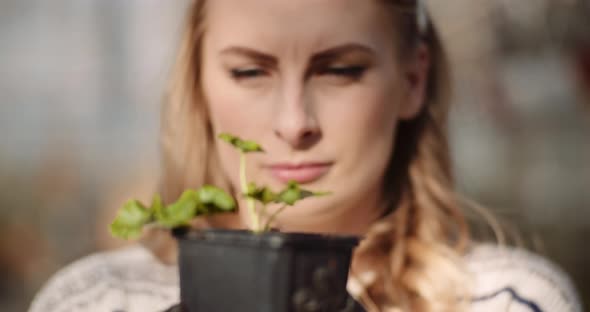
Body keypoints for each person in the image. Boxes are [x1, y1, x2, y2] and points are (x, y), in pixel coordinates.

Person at [29, 0, 582, 311]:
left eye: (341, 70)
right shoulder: (94, 300)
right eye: (249, 72)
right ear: (197, 84)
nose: (294, 123)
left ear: (413, 79)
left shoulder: (504, 300)